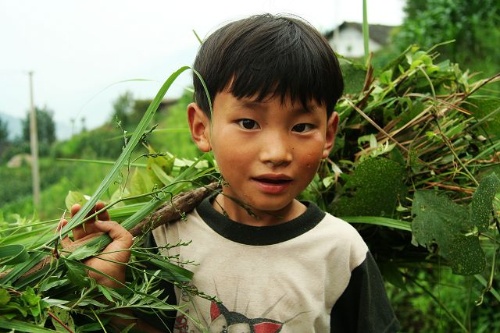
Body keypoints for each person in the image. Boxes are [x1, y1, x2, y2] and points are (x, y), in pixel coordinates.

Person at [62, 13, 400, 332]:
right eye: (248, 123)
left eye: (301, 126)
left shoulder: (340, 251)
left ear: (328, 134)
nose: (277, 153)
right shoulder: (167, 241)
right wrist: (107, 291)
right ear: (201, 128)